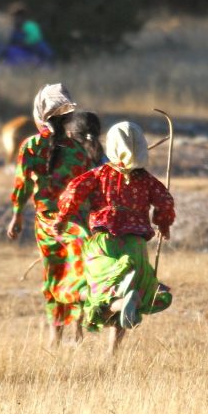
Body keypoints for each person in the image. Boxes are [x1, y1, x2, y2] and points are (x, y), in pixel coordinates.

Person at [54, 121, 174, 354]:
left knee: (98, 293)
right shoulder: (147, 180)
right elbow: (165, 201)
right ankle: (113, 350)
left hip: (104, 242)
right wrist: (163, 224)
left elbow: (73, 191)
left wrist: (62, 218)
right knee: (132, 288)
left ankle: (120, 303)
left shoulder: (99, 174)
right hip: (135, 244)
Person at [6, 84, 95, 347]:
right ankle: (78, 333)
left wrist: (17, 216)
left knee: (55, 275)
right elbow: (88, 188)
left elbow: (22, 184)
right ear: (68, 118)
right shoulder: (78, 150)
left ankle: (55, 338)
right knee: (78, 274)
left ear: (39, 114)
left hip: (46, 223)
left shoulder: (31, 146)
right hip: (77, 222)